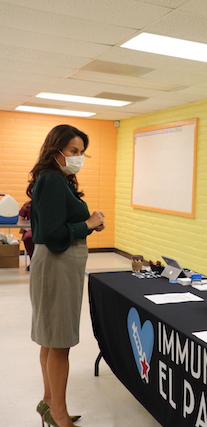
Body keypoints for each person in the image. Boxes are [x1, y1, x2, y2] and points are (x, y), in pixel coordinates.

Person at [27, 124, 105, 427]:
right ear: (55, 149)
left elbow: (58, 225)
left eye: (81, 152)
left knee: (50, 338)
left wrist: (87, 225)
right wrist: (88, 224)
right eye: (73, 151)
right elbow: (53, 234)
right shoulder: (51, 180)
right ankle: (59, 414)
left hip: (60, 265)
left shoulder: (58, 180)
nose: (78, 157)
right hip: (57, 264)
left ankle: (49, 403)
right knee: (59, 342)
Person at [19, 200, 34, 267]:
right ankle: (33, 261)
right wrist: (27, 229)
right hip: (31, 230)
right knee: (28, 237)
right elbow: (20, 221)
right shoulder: (27, 206)